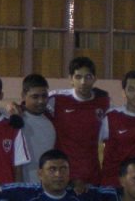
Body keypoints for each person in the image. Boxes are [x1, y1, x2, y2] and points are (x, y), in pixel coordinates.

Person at [47, 56, 110, 186]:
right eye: (78, 77)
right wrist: (14, 107)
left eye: (88, 77)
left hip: (92, 174)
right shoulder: (56, 99)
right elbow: (32, 106)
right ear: (71, 79)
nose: (83, 82)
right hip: (63, 174)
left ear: (95, 79)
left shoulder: (103, 102)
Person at [9, 74, 55, 185]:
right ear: (23, 96)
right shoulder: (12, 117)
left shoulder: (51, 123)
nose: (41, 101)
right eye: (35, 97)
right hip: (19, 186)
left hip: (44, 187)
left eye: (44, 96)